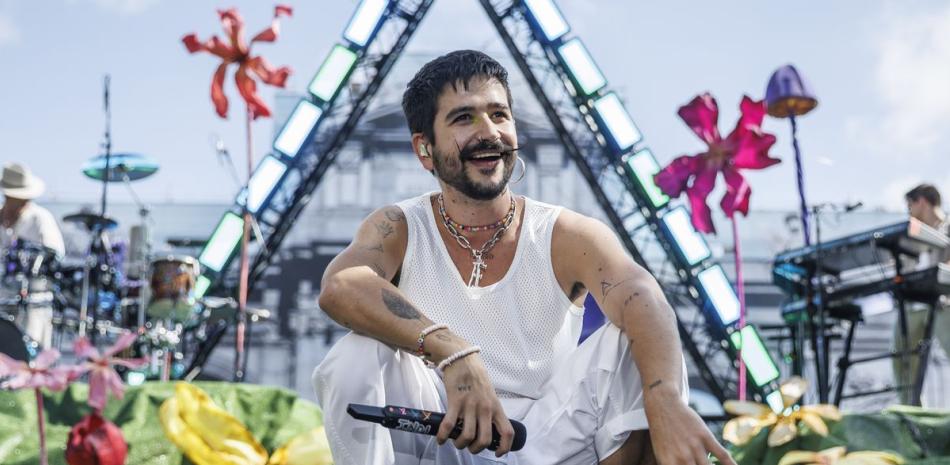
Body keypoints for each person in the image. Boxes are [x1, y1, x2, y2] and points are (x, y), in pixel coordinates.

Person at [313, 50, 734, 465]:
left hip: (545, 445)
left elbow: (644, 297)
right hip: (442, 436)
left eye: (499, 115)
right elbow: (341, 285)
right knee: (356, 355)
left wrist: (667, 400)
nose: (489, 132)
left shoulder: (565, 233)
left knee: (631, 339)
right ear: (425, 149)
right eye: (464, 118)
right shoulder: (399, 226)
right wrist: (454, 352)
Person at [892, 183, 949, 404]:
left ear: (922, 202)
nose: (909, 212)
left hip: (944, 303)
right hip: (914, 305)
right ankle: (912, 415)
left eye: (910, 206)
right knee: (901, 356)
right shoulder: (911, 237)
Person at [0, 162, 65, 349]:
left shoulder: (40, 218)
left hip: (33, 300)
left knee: (28, 352)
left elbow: (55, 254)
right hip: (3, 297)